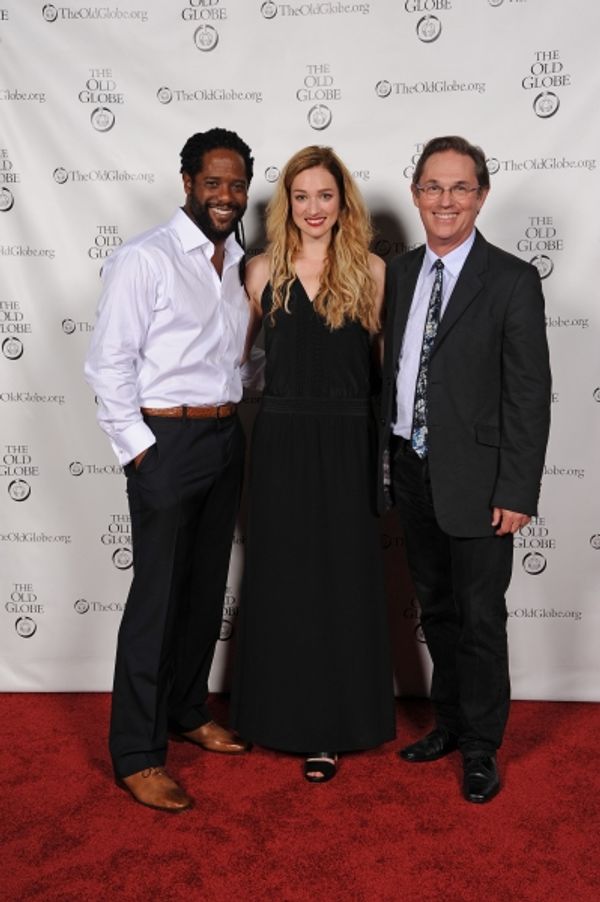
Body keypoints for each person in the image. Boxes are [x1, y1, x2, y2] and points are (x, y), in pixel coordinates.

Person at [85, 127, 255, 812]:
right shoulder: (144, 260)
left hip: (223, 439)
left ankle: (187, 710)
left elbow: (237, 356)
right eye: (212, 182)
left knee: (204, 587)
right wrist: (141, 449)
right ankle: (136, 752)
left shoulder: (240, 262)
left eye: (236, 184)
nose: (225, 195)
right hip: (166, 442)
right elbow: (108, 364)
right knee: (156, 599)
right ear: (187, 182)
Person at [380, 136, 551, 803]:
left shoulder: (510, 279)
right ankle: (448, 723)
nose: (444, 200)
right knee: (438, 610)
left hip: (481, 482)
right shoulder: (397, 274)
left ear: (481, 195)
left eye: (459, 187)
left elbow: (528, 394)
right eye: (432, 186)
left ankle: (481, 747)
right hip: (411, 469)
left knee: (480, 617)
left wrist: (517, 488)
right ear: (416, 193)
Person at [230, 146, 396, 782]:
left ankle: (331, 728)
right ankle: (275, 718)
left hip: (350, 439)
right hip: (280, 440)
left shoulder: (374, 273)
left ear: (343, 201)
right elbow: (235, 364)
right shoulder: (260, 271)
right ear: (287, 204)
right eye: (301, 196)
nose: (314, 208)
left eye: (325, 195)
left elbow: (387, 374)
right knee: (283, 575)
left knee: (342, 579)